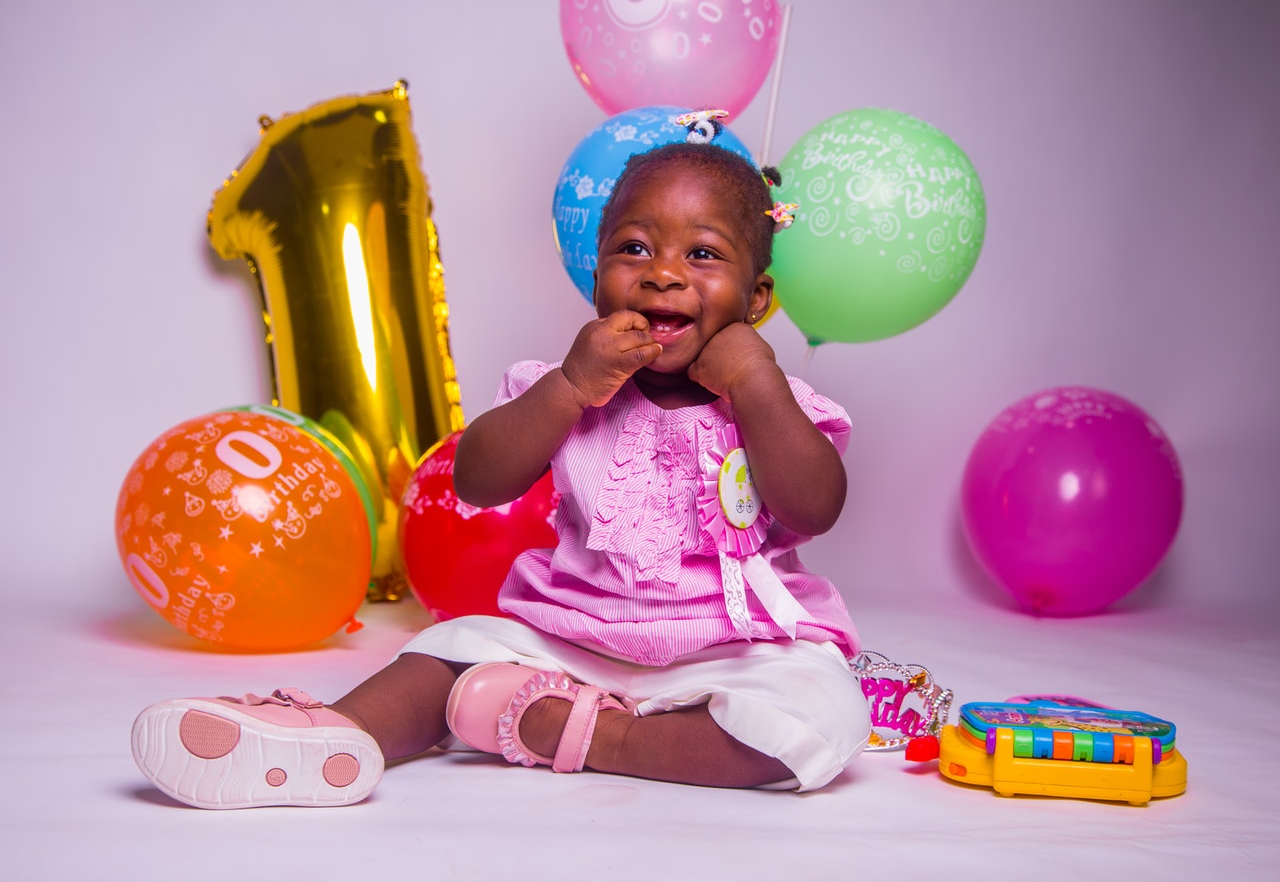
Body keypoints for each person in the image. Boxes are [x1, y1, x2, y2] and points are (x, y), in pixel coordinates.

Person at [131, 140, 871, 809]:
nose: (664, 274)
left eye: (703, 255)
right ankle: (330, 739)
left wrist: (758, 383)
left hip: (733, 650)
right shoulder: (563, 384)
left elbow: (813, 506)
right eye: (634, 249)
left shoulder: (777, 402)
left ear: (758, 298)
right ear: (597, 277)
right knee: (443, 653)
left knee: (823, 717)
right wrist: (570, 389)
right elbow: (478, 481)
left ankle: (598, 739)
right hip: (570, 640)